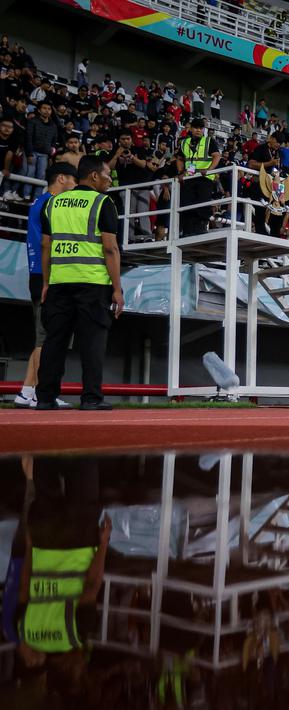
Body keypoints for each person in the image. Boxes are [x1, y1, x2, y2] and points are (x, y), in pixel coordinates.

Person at [35, 156, 123, 411]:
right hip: (92, 284)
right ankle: (91, 398)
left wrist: (46, 282)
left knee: (55, 341)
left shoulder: (52, 204)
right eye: (107, 175)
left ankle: (45, 398)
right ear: (94, 176)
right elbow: (110, 249)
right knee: (92, 342)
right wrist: (117, 289)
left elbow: (45, 246)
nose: (109, 180)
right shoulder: (103, 202)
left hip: (59, 282)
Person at [16, 458, 111, 688]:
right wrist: (30, 547)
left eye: (80, 670)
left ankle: (79, 427)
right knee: (45, 475)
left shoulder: (76, 634)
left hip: (77, 541)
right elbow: (24, 588)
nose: (83, 664)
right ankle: (43, 431)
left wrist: (104, 543)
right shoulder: (26, 633)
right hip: (44, 542)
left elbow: (91, 588)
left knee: (84, 466)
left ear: (67, 669)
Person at [16, 163, 77, 409]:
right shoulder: (52, 204)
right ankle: (42, 394)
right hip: (48, 276)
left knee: (43, 339)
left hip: (39, 274)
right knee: (48, 339)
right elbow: (48, 244)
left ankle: (27, 391)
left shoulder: (39, 202)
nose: (75, 185)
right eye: (73, 180)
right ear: (61, 178)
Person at [176, 117, 220, 236]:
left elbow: (217, 156)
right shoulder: (184, 142)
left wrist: (209, 170)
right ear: (190, 129)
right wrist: (180, 172)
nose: (198, 130)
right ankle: (187, 231)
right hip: (189, 177)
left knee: (202, 203)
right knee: (187, 204)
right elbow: (179, 158)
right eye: (196, 128)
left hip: (204, 178)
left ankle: (201, 230)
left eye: (201, 128)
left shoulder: (209, 141)